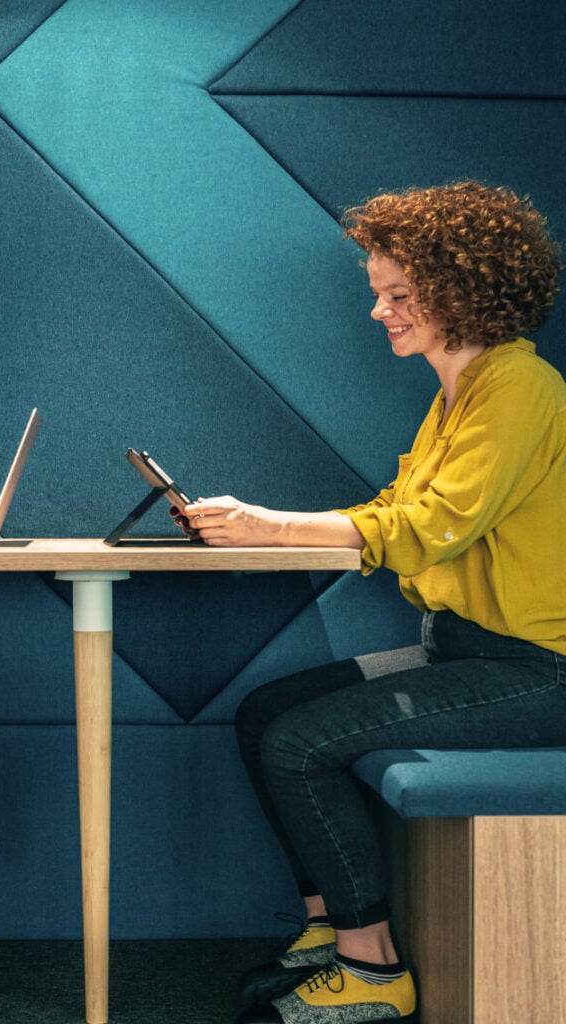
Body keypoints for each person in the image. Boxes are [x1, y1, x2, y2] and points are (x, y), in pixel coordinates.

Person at [175, 182, 565, 1024]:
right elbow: (397, 515)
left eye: (398, 295)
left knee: (298, 743)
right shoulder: (458, 393)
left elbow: (428, 528)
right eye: (378, 294)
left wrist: (269, 526)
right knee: (264, 711)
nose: (381, 312)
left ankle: (372, 973)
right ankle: (326, 933)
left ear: (464, 287)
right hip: (462, 649)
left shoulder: (520, 388)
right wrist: (250, 528)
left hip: (538, 670)